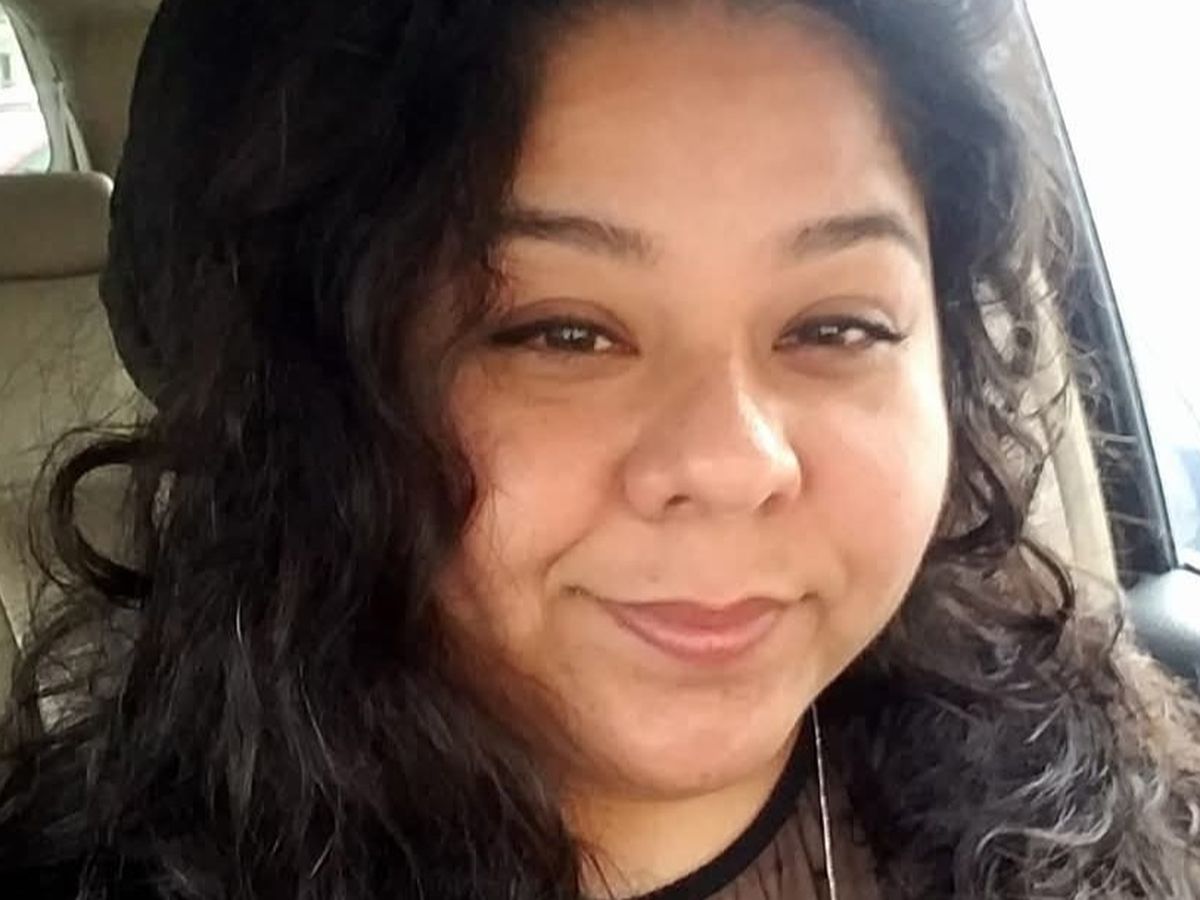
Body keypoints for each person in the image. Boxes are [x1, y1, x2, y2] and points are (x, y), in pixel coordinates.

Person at [1, 0, 1198, 897]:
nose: (735, 461)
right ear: (320, 394)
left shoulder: (1092, 800)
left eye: (838, 326)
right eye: (559, 331)